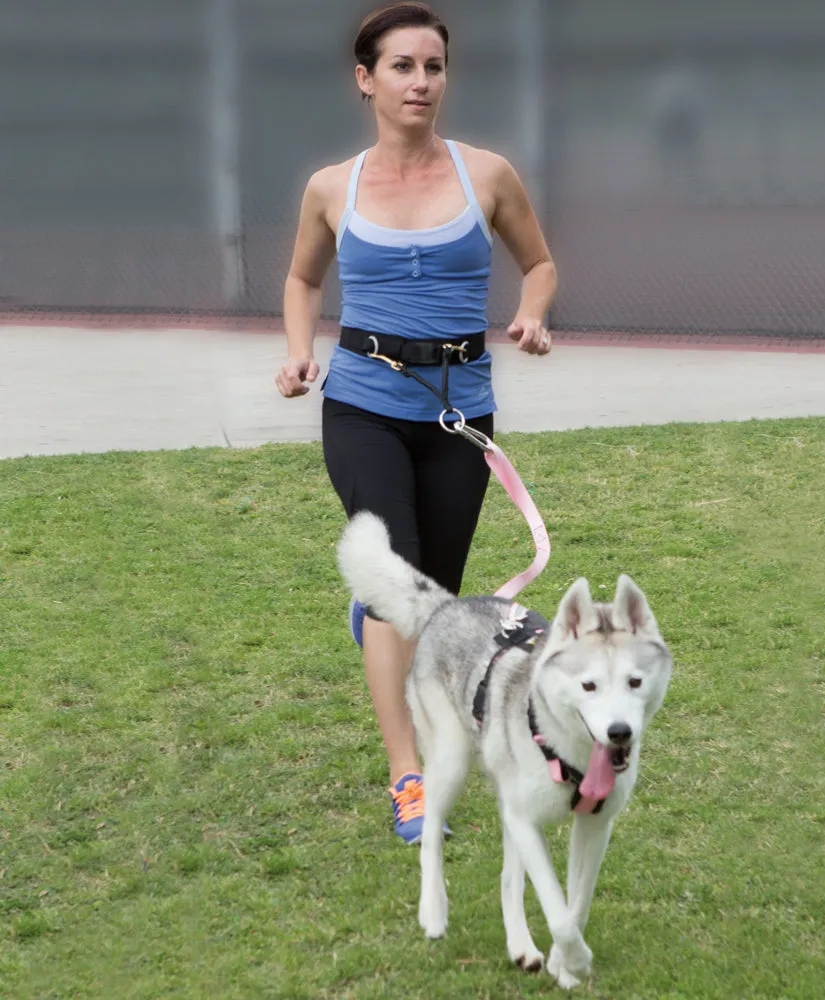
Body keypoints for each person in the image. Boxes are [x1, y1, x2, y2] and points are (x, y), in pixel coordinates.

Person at [274, 2, 557, 845]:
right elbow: (300, 281)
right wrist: (297, 352)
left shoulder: (490, 174)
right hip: (362, 400)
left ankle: (384, 629)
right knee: (397, 586)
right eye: (402, 67)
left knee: (432, 599)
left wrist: (533, 315)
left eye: (433, 67)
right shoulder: (332, 187)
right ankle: (409, 774)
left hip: (460, 411)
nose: (421, 82)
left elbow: (538, 265)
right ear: (366, 80)